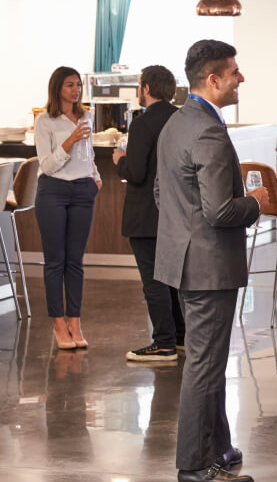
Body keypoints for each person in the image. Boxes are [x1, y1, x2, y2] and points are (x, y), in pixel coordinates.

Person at [156, 40, 270, 482]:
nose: (241, 78)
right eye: (235, 72)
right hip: (207, 266)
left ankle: (218, 447)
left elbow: (164, 195)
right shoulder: (207, 130)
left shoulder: (177, 122)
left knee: (210, 359)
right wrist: (257, 201)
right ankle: (194, 466)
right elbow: (221, 211)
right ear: (213, 79)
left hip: (183, 261)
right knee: (204, 365)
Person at [114, 65, 183, 362]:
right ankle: (180, 338)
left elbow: (137, 172)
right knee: (173, 279)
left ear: (146, 88)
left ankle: (163, 343)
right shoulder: (181, 119)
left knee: (153, 281)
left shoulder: (143, 124)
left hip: (145, 215)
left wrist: (120, 160)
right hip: (175, 213)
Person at [34, 66, 102, 350]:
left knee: (75, 261)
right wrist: (70, 140)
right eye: (69, 85)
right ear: (57, 89)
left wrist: (95, 177)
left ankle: (75, 321)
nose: (75, 90)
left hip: (83, 190)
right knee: (55, 261)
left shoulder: (87, 115)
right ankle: (58, 323)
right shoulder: (45, 121)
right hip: (54, 191)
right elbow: (47, 165)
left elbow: (89, 153)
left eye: (77, 85)